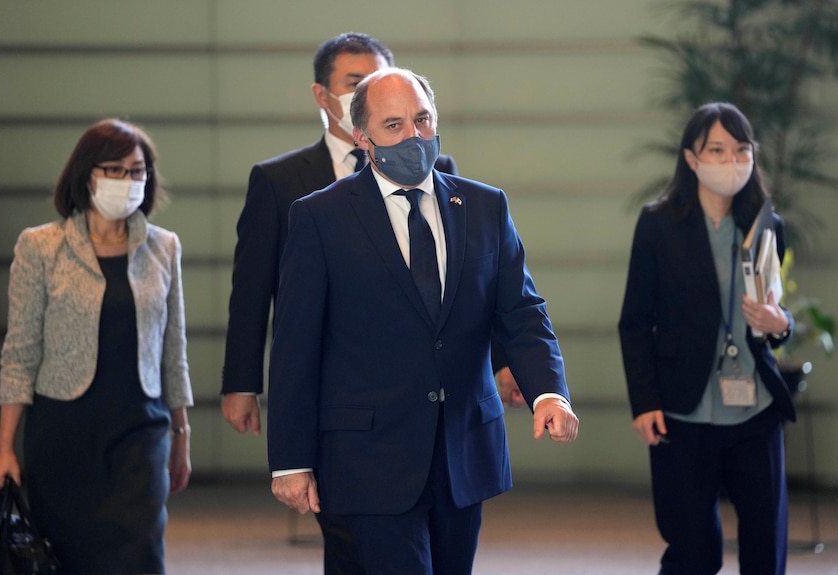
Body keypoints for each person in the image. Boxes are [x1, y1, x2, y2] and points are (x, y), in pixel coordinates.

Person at [220, 31, 518, 575]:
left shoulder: (448, 179)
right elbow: (260, 296)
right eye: (355, 83)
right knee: (355, 547)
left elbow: (475, 287)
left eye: (420, 118)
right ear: (330, 98)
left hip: (440, 423)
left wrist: (506, 362)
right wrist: (244, 384)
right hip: (352, 420)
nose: (411, 135)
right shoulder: (286, 184)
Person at [267, 67, 579, 575]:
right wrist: (290, 459)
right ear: (363, 138)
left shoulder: (484, 206)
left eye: (423, 119)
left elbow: (521, 312)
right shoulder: (320, 218)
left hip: (464, 448)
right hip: (370, 454)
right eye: (394, 126)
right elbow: (295, 348)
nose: (414, 135)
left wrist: (549, 391)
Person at [0, 118, 194, 575]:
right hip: (64, 433)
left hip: (141, 431)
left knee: (139, 553)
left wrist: (182, 437)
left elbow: (172, 352)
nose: (128, 181)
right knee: (67, 557)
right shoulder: (40, 247)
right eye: (115, 170)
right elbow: (20, 353)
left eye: (137, 171)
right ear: (86, 175)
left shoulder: (164, 248)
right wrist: (5, 447)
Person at [618, 102, 795, 575]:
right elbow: (635, 321)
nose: (730, 160)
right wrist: (644, 400)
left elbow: (775, 314)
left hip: (755, 411)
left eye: (740, 149)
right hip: (683, 408)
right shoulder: (658, 224)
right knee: (692, 552)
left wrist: (783, 327)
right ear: (691, 159)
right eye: (716, 149)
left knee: (765, 548)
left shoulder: (766, 223)